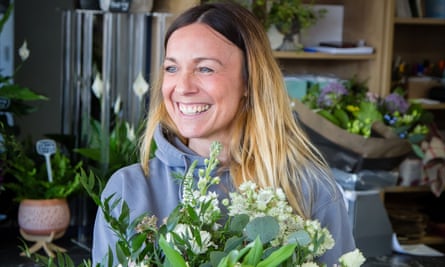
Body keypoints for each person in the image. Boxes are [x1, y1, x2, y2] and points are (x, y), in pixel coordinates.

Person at [92, 2, 356, 266]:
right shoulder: (130, 189)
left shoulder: (310, 189)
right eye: (172, 68)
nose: (182, 87)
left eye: (205, 68)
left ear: (249, 81)